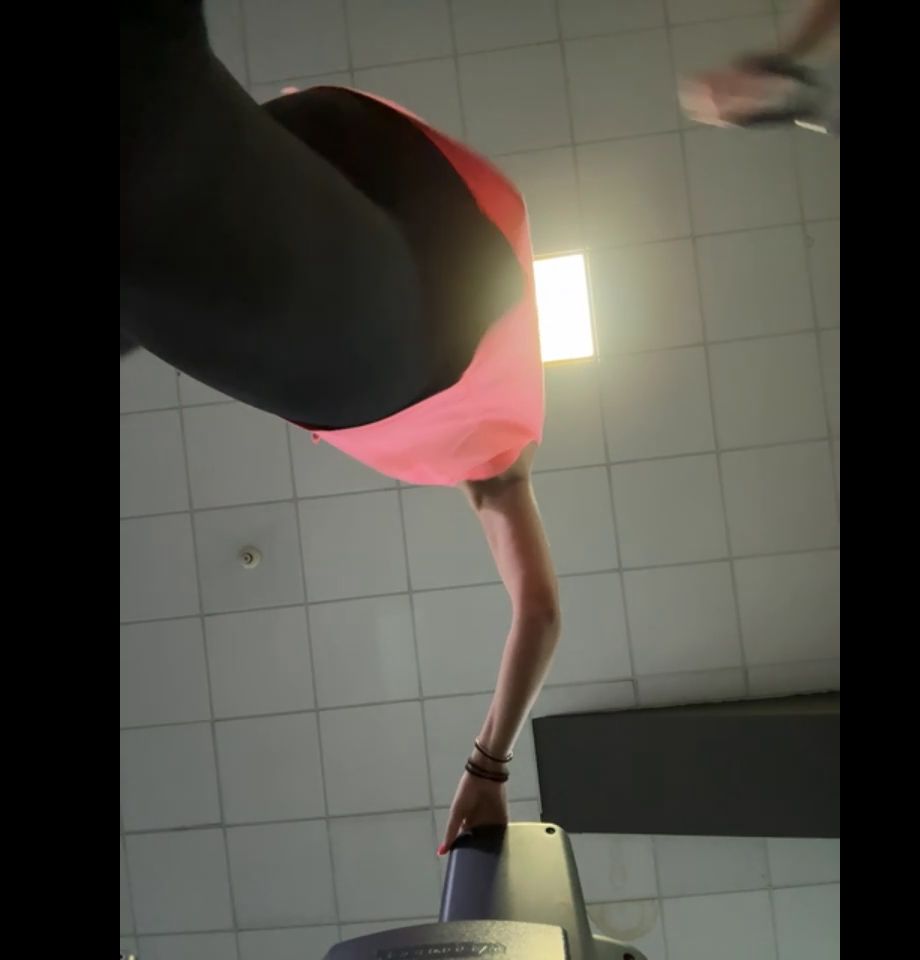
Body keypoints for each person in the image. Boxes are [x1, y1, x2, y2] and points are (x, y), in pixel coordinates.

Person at [121, 1, 560, 856]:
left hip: (368, 179)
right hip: (402, 335)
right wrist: (489, 765)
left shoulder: (496, 437)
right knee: (155, 180)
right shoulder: (500, 458)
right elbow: (537, 614)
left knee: (155, 232)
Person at [679, 0, 840, 133]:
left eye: (719, 85)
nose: (731, 94)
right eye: (723, 102)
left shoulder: (801, 44)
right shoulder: (809, 116)